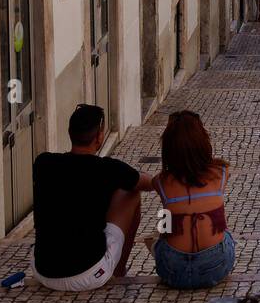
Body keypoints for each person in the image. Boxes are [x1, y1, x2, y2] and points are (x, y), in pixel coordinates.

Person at [31, 104, 155, 292]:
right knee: (131, 193)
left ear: (70, 132)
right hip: (88, 274)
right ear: (99, 136)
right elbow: (148, 183)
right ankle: (118, 272)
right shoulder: (108, 169)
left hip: (43, 272)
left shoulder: (43, 163)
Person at [148, 112, 235, 290]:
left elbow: (166, 227)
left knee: (163, 222)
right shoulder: (222, 174)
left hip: (173, 271)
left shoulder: (160, 182)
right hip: (215, 267)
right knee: (225, 232)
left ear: (168, 148)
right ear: (203, 142)